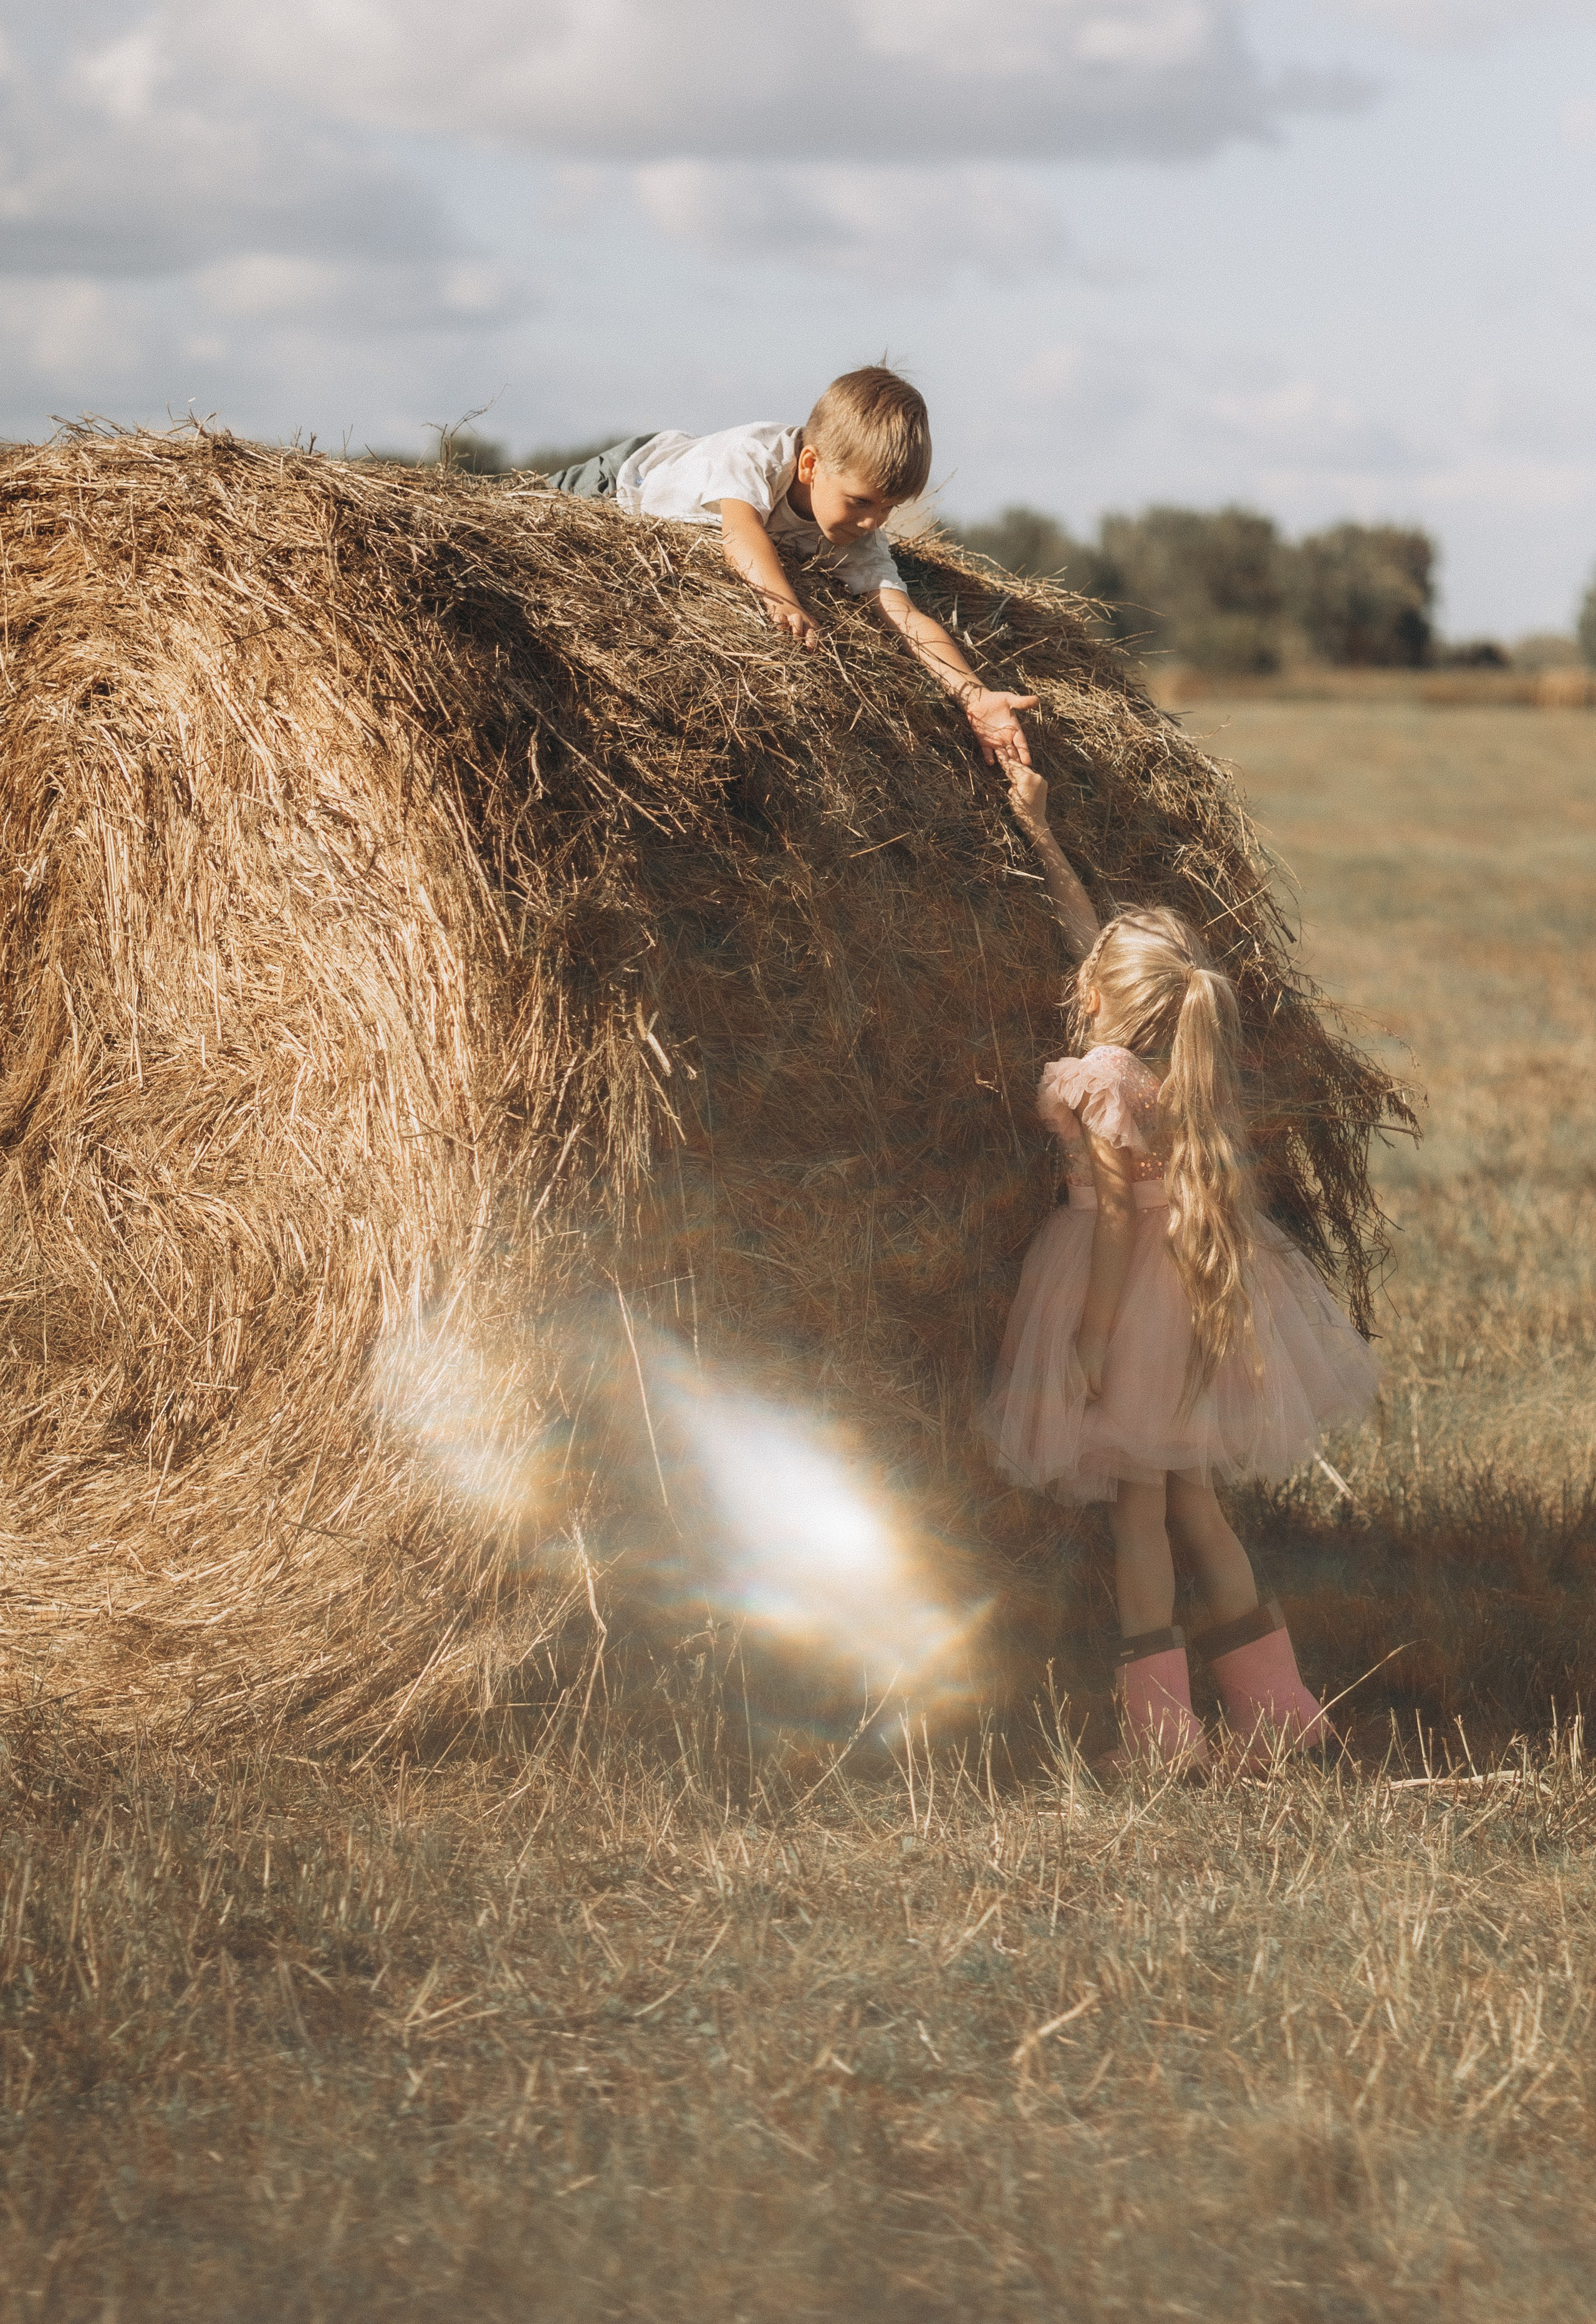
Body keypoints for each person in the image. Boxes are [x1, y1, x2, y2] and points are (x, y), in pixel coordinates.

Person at [984, 762, 1381, 1774]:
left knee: (1142, 1520)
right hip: (1199, 1288)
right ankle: (1287, 1714)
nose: (1079, 974)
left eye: (1093, 974)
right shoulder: (1178, 1049)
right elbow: (1100, 945)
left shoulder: (1106, 1073)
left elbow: (1116, 1223)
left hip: (1125, 1297)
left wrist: (1088, 1340)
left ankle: (1163, 1739)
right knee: (1200, 1507)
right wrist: (1042, 834)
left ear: (1110, 998)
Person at [543, 368, 1035, 769]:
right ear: (809, 466)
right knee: (489, 515)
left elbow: (904, 617)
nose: (872, 521)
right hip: (621, 482)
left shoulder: (859, 535)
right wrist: (783, 600)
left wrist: (974, 694)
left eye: (888, 509)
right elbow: (741, 533)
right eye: (861, 501)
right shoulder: (753, 456)